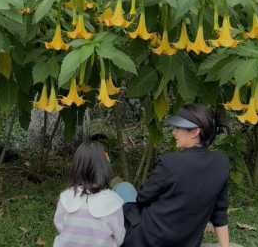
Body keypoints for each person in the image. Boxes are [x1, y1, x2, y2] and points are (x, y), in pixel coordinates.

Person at [122, 103, 230, 247]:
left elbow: (142, 197)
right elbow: (219, 213)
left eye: (178, 128)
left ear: (195, 132)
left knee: (123, 190)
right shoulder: (221, 163)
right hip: (186, 243)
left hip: (148, 240)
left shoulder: (170, 163)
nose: (174, 133)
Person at [53, 141, 126, 247]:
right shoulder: (113, 202)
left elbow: (59, 225)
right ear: (104, 168)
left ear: (77, 167)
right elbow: (120, 237)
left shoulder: (66, 197)